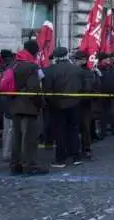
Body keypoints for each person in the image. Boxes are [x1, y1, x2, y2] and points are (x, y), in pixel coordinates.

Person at [9, 41, 48, 175]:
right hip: (29, 107)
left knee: (17, 137)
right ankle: (30, 165)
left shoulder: (14, 64)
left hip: (15, 106)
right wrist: (41, 103)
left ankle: (16, 164)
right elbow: (34, 89)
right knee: (30, 139)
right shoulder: (31, 67)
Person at [42, 47, 84, 168]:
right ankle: (76, 156)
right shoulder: (77, 69)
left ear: (55, 57)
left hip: (57, 105)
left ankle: (61, 159)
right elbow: (82, 87)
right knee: (73, 130)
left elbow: (47, 89)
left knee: (60, 132)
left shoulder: (49, 70)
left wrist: (49, 103)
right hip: (74, 103)